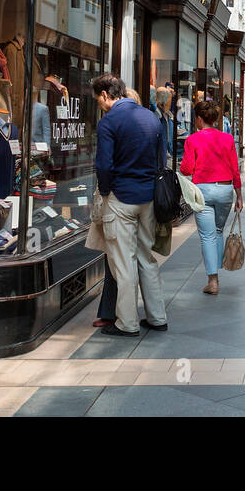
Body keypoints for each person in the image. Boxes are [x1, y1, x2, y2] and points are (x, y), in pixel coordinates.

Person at [91, 74, 168, 336]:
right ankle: (157, 317)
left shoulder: (108, 122)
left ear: (104, 95)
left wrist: (104, 192)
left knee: (123, 263)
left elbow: (104, 165)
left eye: (98, 100)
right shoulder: (150, 117)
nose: (100, 105)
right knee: (146, 258)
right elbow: (161, 160)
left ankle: (127, 322)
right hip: (148, 197)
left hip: (121, 197)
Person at [180, 100, 243, 295]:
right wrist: (239, 195)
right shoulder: (227, 139)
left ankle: (213, 281)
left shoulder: (193, 140)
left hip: (203, 192)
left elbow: (186, 168)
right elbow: (235, 169)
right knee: (217, 231)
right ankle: (216, 273)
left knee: (207, 236)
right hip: (225, 191)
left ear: (199, 119)